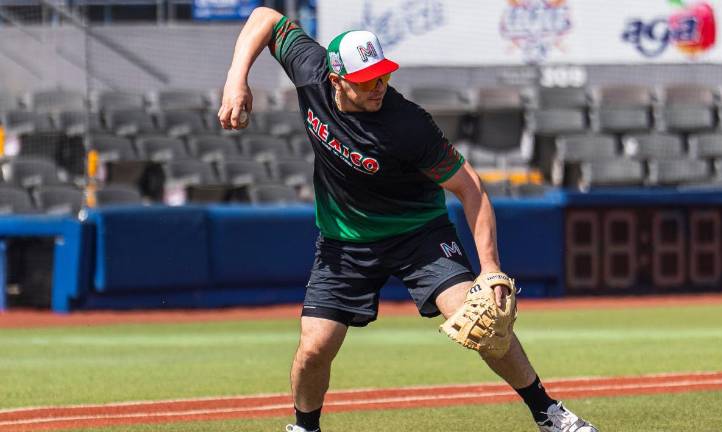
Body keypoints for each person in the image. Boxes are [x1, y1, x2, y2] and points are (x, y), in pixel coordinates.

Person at [219, 7, 598, 432]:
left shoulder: (408, 124)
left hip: (418, 235)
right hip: (344, 241)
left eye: (383, 74)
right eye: (367, 80)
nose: (379, 86)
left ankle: (547, 411)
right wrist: (237, 78)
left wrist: (490, 268)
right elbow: (265, 17)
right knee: (314, 348)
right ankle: (306, 428)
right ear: (336, 79)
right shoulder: (311, 70)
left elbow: (471, 188)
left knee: (484, 323)